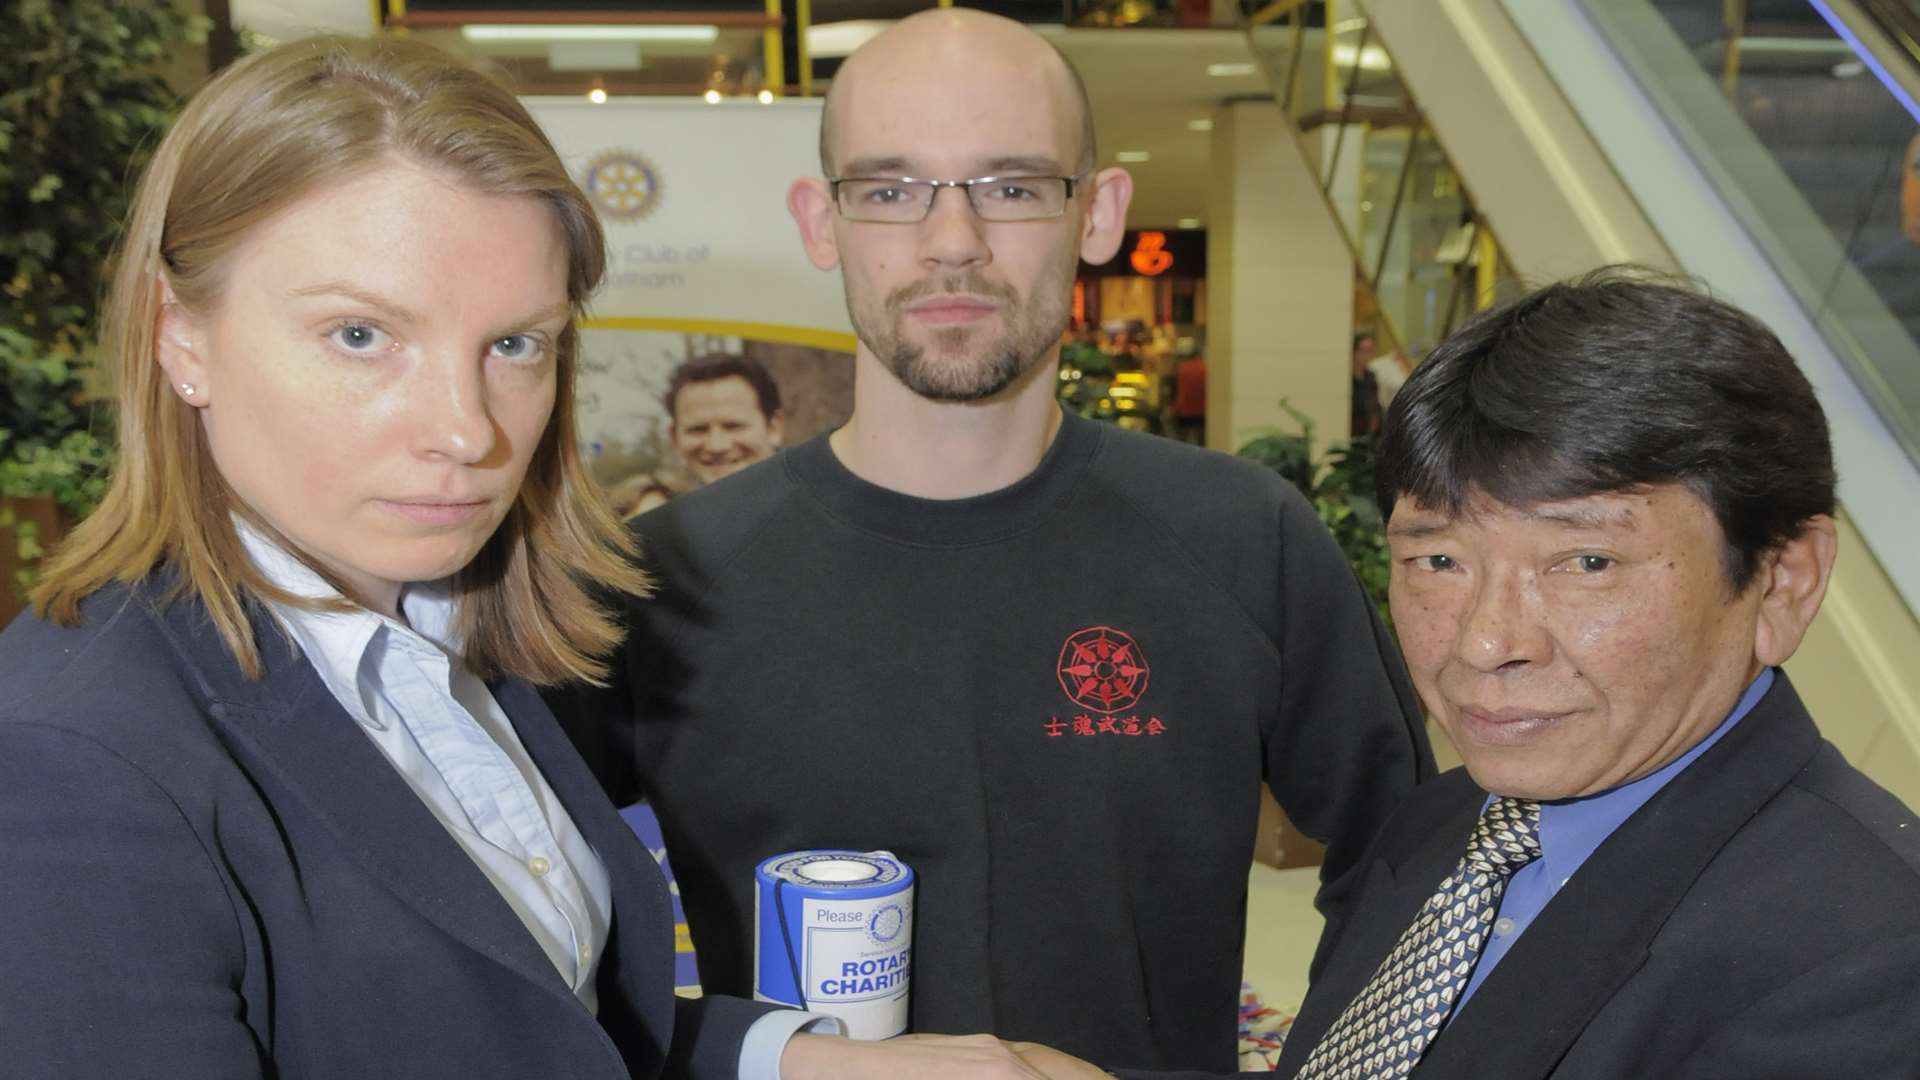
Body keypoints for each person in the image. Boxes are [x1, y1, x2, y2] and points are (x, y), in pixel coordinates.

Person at [0, 35, 1050, 1080]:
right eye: (362, 336)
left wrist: (819, 1060)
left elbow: (548, 1023)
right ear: (180, 337)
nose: (468, 432)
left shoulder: (449, 637)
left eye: (514, 346)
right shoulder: (72, 765)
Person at [551, 9, 1432, 1073]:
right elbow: (501, 940)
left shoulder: (1243, 539)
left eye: (1011, 186)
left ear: (1097, 214)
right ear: (821, 221)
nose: (952, 240)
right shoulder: (660, 579)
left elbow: (1418, 868)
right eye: (891, 189)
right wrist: (754, 1056)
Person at [1050, 268, 1920, 1080]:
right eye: (1436, 561)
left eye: (1585, 562)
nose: (1482, 642)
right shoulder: (1447, 824)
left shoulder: (1870, 953)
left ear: (1783, 581)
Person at [616, 353, 788, 517]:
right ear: (674, 437)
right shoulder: (654, 517)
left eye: (733, 426)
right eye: (698, 429)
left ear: (774, 428)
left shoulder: (810, 509)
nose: (717, 446)